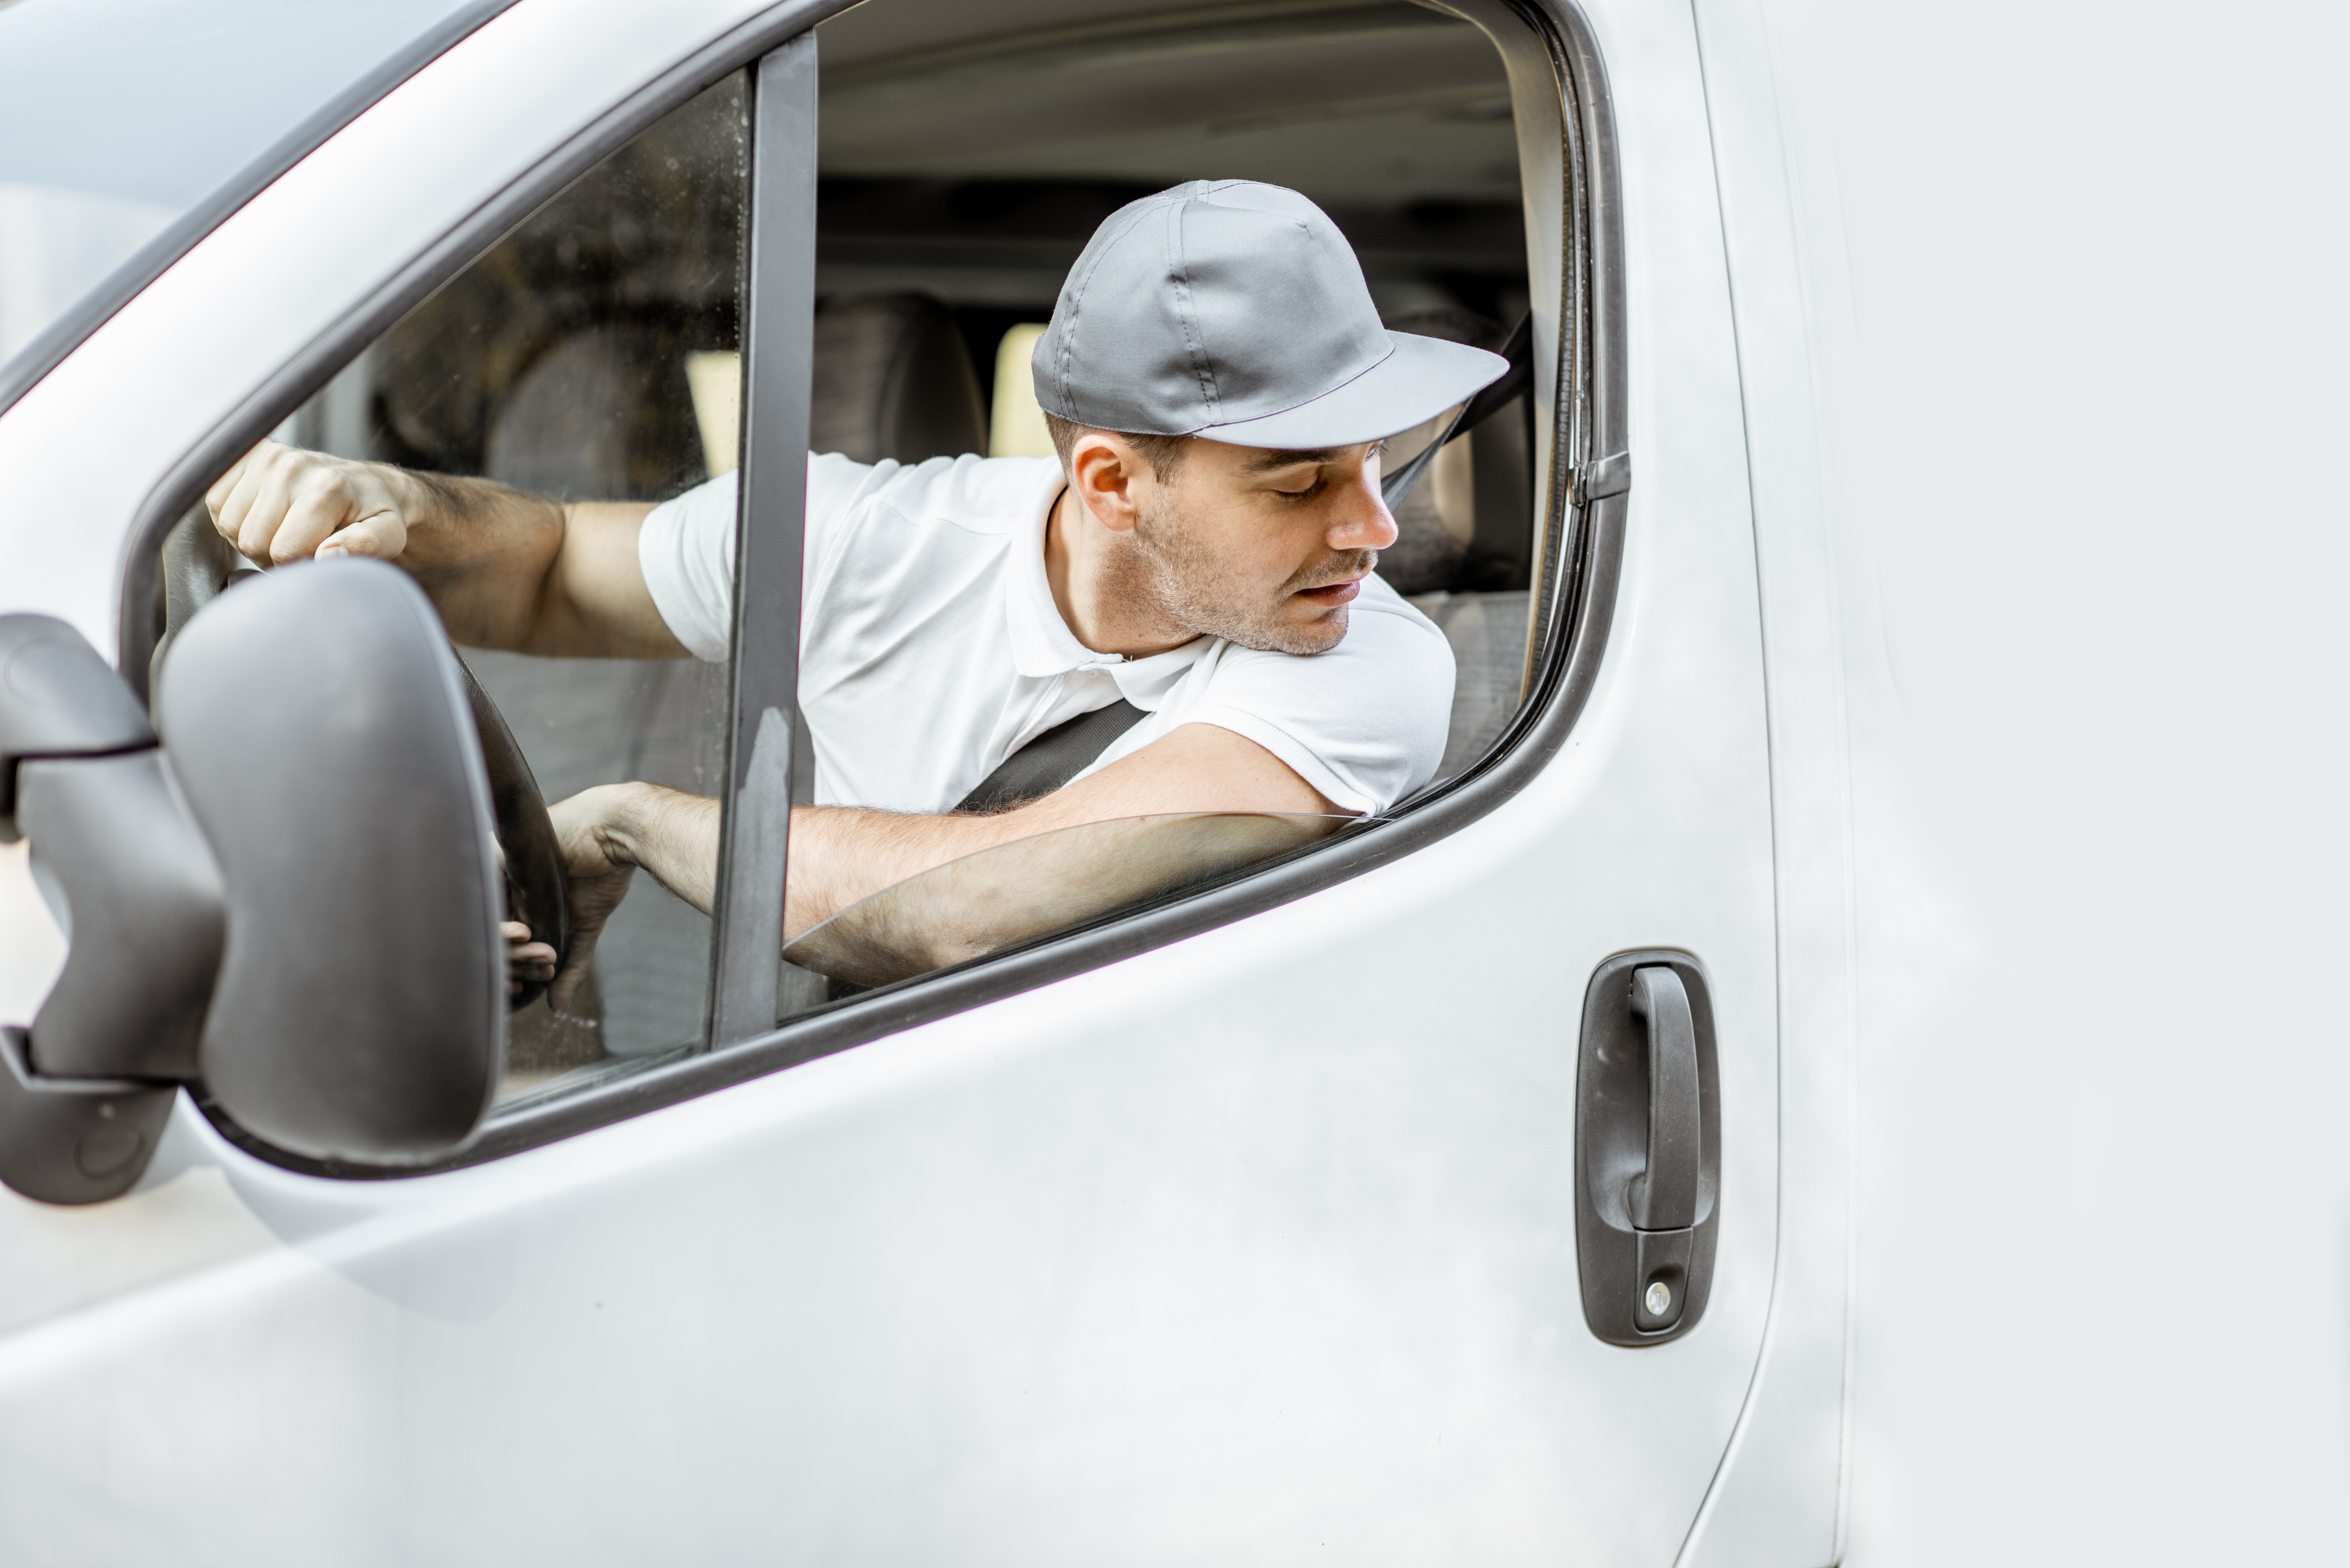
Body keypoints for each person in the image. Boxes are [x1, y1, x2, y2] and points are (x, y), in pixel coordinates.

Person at [204, 180, 1506, 998]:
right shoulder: (867, 540)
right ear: (1112, 481)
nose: (1376, 528)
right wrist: (398, 510)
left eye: (1377, 465)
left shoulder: (1376, 667)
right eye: (1298, 485)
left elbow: (962, 911)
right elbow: (547, 563)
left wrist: (628, 820)